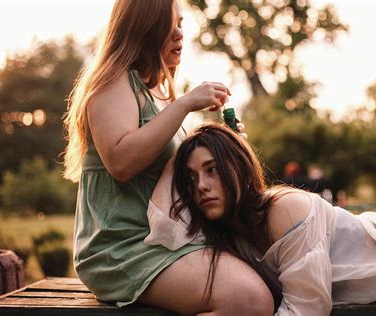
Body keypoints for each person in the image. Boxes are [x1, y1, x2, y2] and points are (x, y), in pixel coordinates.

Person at [63, 1, 274, 314]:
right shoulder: (114, 81)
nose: (179, 35)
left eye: (181, 24)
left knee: (271, 278)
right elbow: (121, 163)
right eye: (168, 25)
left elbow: (176, 170)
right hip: (123, 249)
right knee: (249, 299)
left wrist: (225, 145)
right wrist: (186, 104)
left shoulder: (159, 95)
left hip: (166, 241)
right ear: (143, 27)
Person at [170, 123, 376, 315]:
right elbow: (162, 227)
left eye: (213, 170)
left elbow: (307, 308)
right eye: (191, 177)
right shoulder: (233, 238)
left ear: (238, 169)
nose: (201, 186)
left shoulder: (285, 209)